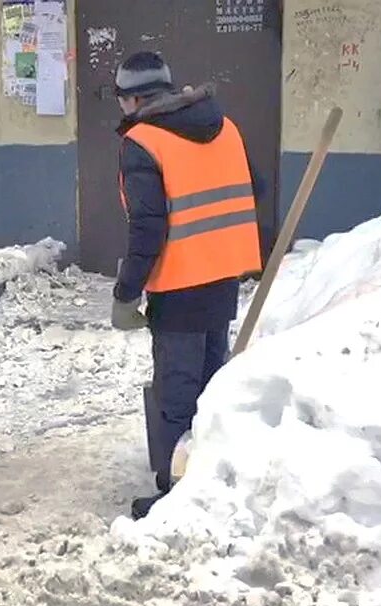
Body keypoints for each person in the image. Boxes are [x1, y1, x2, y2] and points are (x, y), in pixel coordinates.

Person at [109, 52, 264, 519]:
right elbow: (254, 188)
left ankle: (176, 494)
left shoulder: (143, 141)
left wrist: (126, 293)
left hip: (177, 285)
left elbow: (147, 227)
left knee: (176, 393)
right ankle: (211, 478)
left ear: (132, 98)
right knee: (212, 383)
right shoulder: (225, 126)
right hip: (222, 278)